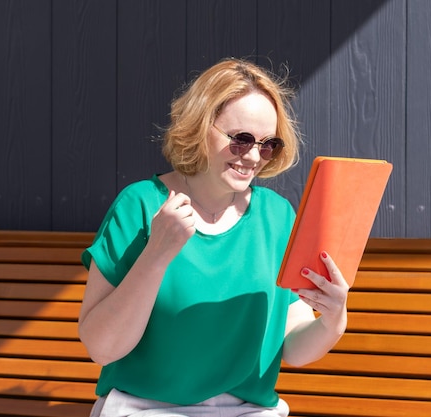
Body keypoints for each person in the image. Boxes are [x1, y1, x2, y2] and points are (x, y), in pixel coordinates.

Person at [78, 57, 349, 417]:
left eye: (268, 144)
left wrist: (333, 320)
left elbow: (294, 347)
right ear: (200, 125)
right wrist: (156, 254)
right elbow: (102, 347)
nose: (253, 156)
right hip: (145, 409)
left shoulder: (277, 216)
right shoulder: (140, 206)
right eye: (240, 140)